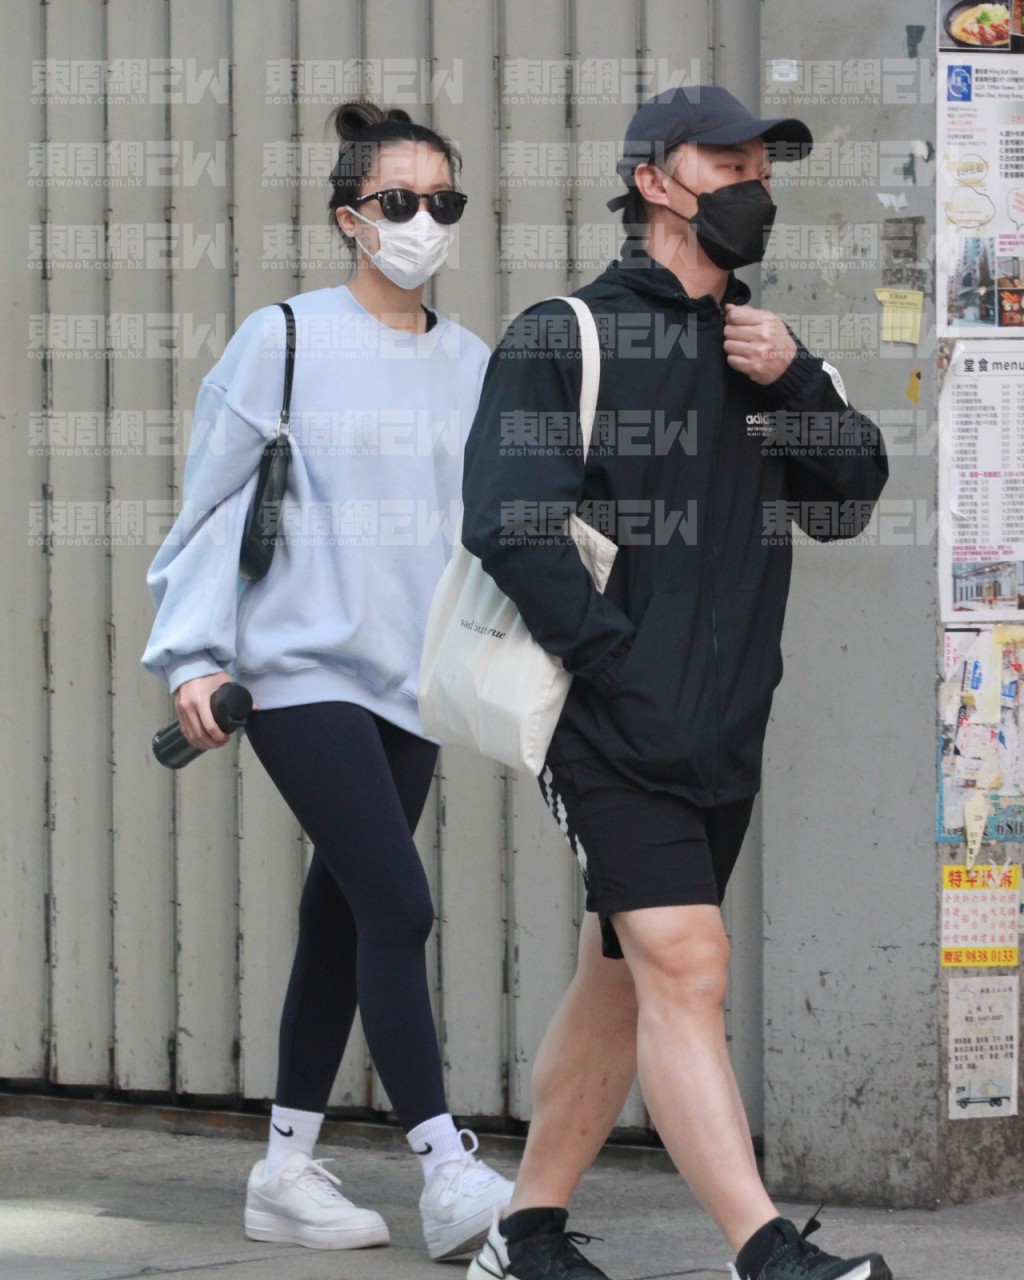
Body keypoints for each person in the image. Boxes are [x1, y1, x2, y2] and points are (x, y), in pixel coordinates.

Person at [458, 86, 891, 1280]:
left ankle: (523, 1233)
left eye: (765, 167)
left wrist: (796, 382)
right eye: (729, 163)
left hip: (725, 728)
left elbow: (851, 498)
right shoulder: (563, 337)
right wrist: (612, 659)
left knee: (621, 979)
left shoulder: (766, 349)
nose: (755, 186)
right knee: (689, 963)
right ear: (654, 180)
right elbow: (506, 521)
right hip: (605, 722)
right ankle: (767, 1252)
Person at [142, 100, 511, 1260]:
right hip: (296, 669)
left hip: (414, 679)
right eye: (399, 201)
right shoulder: (285, 337)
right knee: (397, 904)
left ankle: (286, 1173)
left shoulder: (471, 365)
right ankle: (446, 1168)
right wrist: (193, 653)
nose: (422, 221)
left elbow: (487, 529)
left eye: (443, 201)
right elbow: (211, 505)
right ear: (350, 216)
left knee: (342, 912)